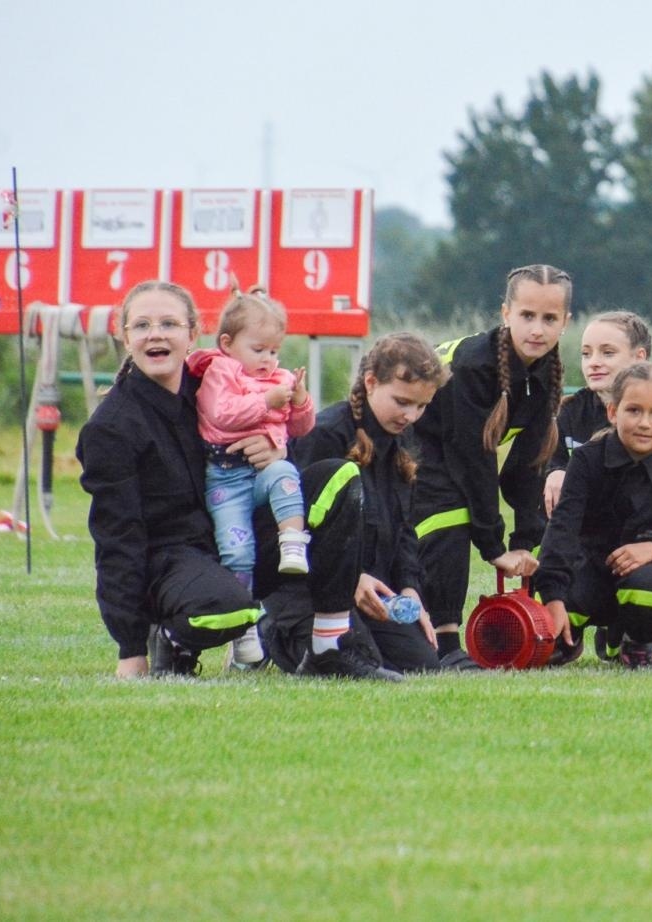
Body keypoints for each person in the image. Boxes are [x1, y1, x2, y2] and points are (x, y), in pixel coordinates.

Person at [77, 280, 273, 679]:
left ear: (192, 333)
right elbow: (117, 541)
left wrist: (273, 446)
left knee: (326, 489)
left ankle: (316, 640)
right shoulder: (111, 428)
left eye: (169, 323)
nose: (156, 334)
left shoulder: (216, 392)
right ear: (125, 335)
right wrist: (130, 649)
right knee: (228, 607)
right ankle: (170, 638)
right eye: (142, 325)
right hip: (168, 559)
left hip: (228, 531)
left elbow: (287, 420)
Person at [257, 332, 451, 676]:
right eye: (402, 402)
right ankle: (269, 632)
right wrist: (352, 578)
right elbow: (294, 525)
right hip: (307, 587)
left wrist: (409, 589)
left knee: (422, 664)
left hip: (370, 591)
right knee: (353, 664)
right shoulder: (326, 434)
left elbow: (405, 529)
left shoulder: (402, 441)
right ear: (371, 382)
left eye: (421, 406)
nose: (411, 416)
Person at [410, 264, 571, 660]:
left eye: (549, 319)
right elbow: (472, 460)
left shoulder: (547, 370)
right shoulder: (474, 366)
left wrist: (524, 540)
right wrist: (493, 545)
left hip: (452, 451)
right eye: (527, 316)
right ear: (505, 314)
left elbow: (528, 463)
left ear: (565, 322)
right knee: (451, 513)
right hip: (408, 447)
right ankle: (445, 644)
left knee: (464, 500)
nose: (537, 329)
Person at [535, 362, 652, 669]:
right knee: (548, 597)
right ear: (612, 412)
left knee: (649, 588)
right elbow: (561, 531)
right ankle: (567, 638)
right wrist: (551, 598)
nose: (644, 423)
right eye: (633, 410)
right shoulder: (585, 461)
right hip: (589, 568)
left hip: (651, 577)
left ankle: (636, 641)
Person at [185, 284, 315, 669]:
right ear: (227, 343)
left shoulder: (278, 379)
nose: (268, 360)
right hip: (225, 479)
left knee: (285, 472)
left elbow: (302, 428)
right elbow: (222, 414)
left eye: (274, 351)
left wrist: (300, 400)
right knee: (237, 551)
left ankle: (293, 542)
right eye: (258, 350)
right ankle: (243, 631)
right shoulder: (219, 371)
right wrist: (266, 402)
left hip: (260, 472)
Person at [542, 310, 652, 517]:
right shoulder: (566, 412)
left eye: (608, 353)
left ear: (639, 357)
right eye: (586, 354)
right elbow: (544, 465)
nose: (593, 362)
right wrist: (555, 472)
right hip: (577, 534)